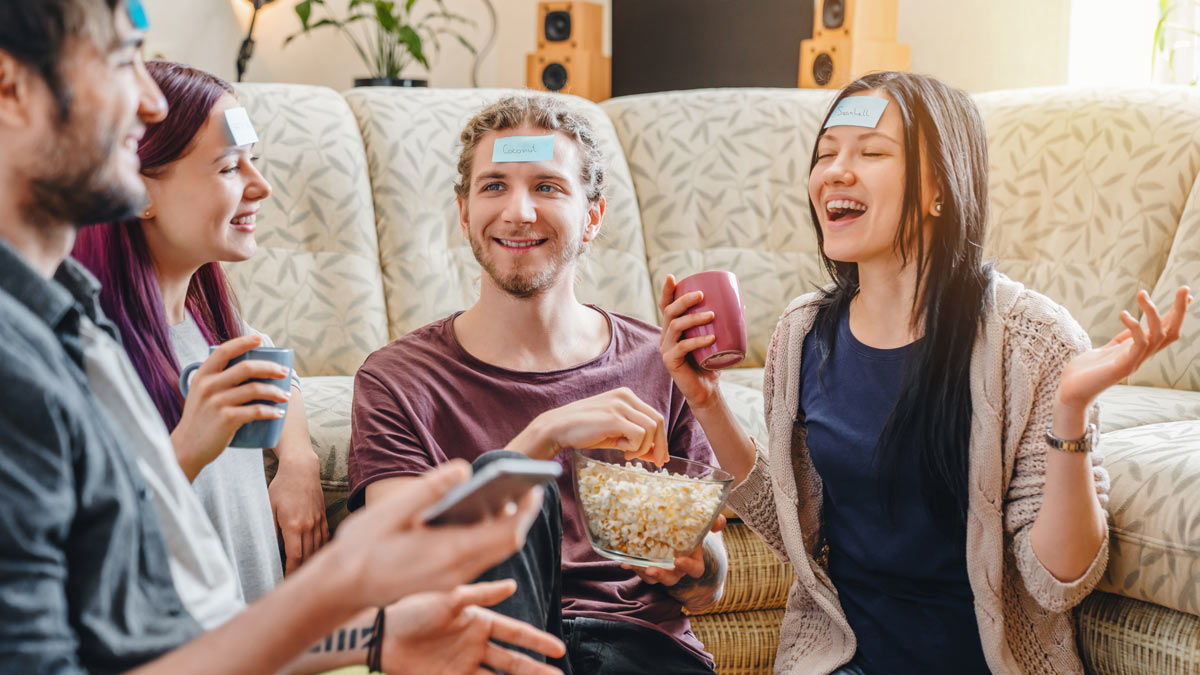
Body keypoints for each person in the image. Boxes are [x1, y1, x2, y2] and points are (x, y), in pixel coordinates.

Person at [0, 1, 564, 672]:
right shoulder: (27, 367)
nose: (147, 102)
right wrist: (340, 584)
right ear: (11, 89)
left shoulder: (77, 327)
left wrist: (370, 635)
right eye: (124, 61)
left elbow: (157, 641)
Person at [658, 70, 1193, 674]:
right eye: (826, 154)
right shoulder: (802, 335)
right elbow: (795, 531)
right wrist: (706, 402)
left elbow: (1058, 583)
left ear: (940, 186)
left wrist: (1069, 414)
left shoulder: (1034, 341)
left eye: (871, 152)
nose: (835, 170)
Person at [349, 93, 728, 675]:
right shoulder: (397, 379)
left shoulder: (663, 362)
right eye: (494, 185)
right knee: (525, 492)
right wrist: (541, 439)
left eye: (547, 187)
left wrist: (695, 564)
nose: (518, 212)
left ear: (593, 215)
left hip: (637, 647)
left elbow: (708, 589)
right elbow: (398, 564)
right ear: (464, 211)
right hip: (487, 647)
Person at [73, 60, 327, 610]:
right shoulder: (85, 350)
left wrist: (299, 461)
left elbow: (285, 376)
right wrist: (189, 446)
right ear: (135, 192)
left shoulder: (212, 324)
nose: (260, 186)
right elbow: (88, 550)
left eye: (252, 162)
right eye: (229, 168)